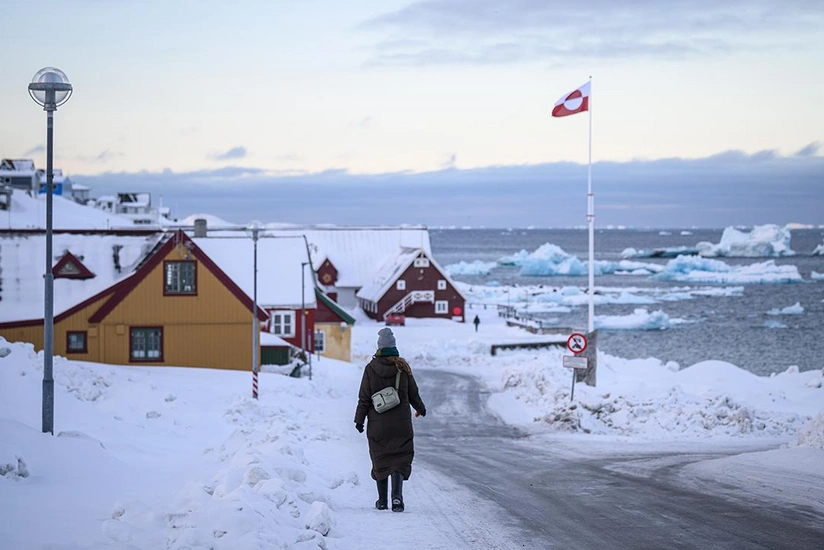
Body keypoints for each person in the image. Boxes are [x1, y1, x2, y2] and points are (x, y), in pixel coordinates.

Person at [354, 327, 426, 512]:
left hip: (378, 424)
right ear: (394, 346)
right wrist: (420, 409)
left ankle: (382, 500)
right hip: (401, 423)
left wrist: (359, 420)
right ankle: (397, 498)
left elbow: (364, 397)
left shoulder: (370, 368)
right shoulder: (402, 367)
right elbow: (413, 393)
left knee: (380, 458)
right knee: (400, 459)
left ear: (379, 347)